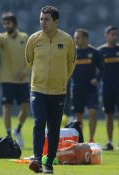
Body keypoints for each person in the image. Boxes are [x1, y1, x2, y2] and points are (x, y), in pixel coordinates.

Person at [25, 6, 76, 174]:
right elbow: (29, 61)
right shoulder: (34, 39)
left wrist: (60, 80)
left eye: (46, 19)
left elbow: (71, 64)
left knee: (54, 128)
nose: (42, 22)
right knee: (39, 123)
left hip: (58, 91)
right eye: (41, 19)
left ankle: (49, 164)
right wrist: (40, 79)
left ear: (56, 21)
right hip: (37, 89)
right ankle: (37, 159)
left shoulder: (67, 40)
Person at [0, 12, 30, 147]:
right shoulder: (2, 38)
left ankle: (18, 130)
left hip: (23, 80)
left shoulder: (24, 37)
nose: (6, 26)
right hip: (7, 79)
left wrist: (25, 71)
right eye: (4, 23)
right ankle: (8, 136)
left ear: (14, 24)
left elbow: (31, 56)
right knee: (7, 108)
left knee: (25, 108)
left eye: (8, 23)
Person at [97, 26, 119, 152]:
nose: (115, 36)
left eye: (116, 34)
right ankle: (110, 142)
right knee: (108, 115)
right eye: (112, 34)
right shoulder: (100, 51)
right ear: (106, 36)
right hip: (106, 87)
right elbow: (98, 70)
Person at [71, 28, 102, 143]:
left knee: (93, 112)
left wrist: (97, 79)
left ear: (85, 38)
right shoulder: (73, 52)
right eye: (75, 38)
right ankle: (80, 139)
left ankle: (91, 139)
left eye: (77, 38)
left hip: (90, 89)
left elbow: (102, 69)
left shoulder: (94, 53)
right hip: (77, 88)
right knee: (78, 116)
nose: (75, 40)